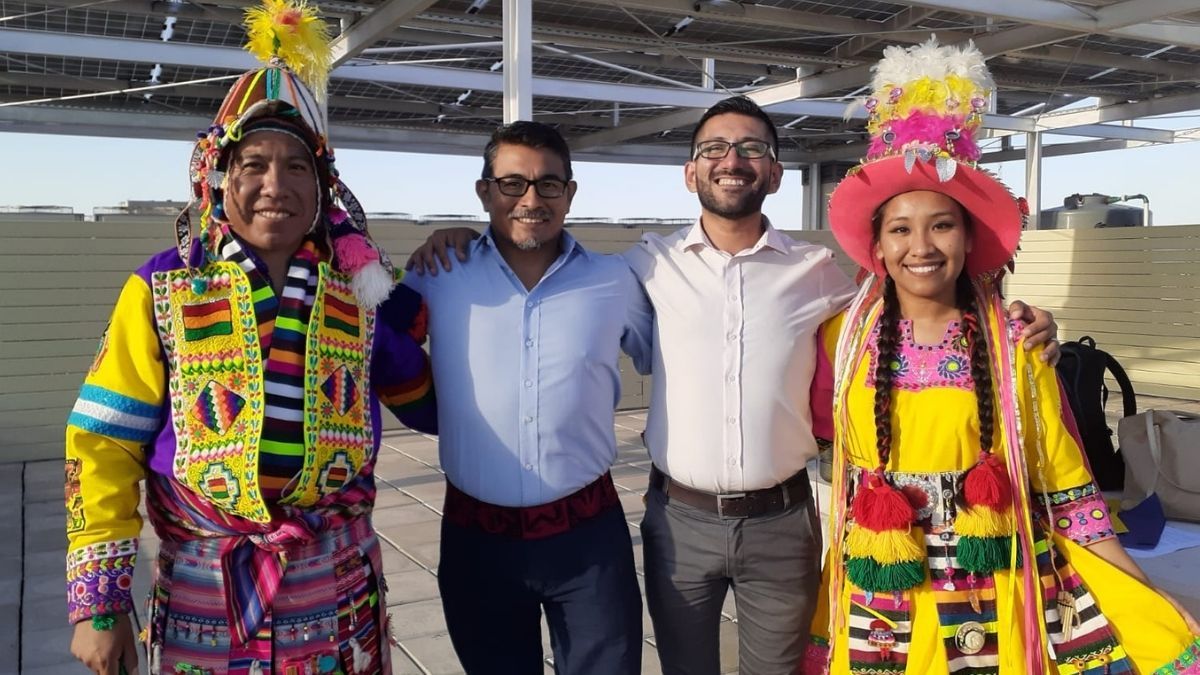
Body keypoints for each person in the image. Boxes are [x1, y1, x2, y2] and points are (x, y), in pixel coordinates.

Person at [408, 96, 1059, 674]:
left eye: (752, 148)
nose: (732, 159)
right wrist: (463, 239)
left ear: (773, 172)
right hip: (678, 519)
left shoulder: (817, 273)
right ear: (690, 172)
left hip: (781, 520)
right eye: (714, 148)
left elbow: (911, 297)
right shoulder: (642, 266)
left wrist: (1010, 317)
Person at [803, 38, 1199, 674]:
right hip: (881, 588)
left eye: (942, 224)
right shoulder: (837, 341)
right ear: (876, 245)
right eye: (900, 228)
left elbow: (1066, 485)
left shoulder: (1015, 346)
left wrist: (1140, 586)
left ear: (967, 238)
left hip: (998, 588)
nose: (921, 245)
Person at [65, 3, 436, 674]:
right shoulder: (162, 287)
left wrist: (466, 263)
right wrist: (100, 603)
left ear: (324, 186)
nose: (276, 185)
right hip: (205, 589)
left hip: (338, 588)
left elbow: (429, 395)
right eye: (254, 164)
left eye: (298, 167)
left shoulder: (361, 291)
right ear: (216, 174)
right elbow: (105, 442)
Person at [401, 120, 653, 674]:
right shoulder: (438, 274)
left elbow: (674, 357)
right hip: (476, 541)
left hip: (589, 542)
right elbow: (382, 350)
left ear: (570, 192)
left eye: (549, 184)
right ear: (485, 191)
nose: (531, 199)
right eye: (512, 183)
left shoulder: (615, 282)